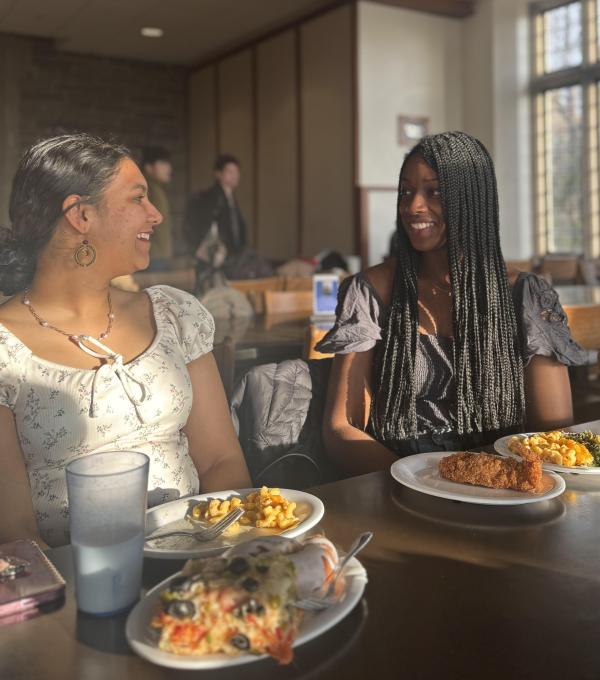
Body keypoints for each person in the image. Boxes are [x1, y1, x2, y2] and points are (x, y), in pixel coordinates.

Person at [0, 133, 251, 548]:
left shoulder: (173, 314)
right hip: (78, 586)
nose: (156, 215)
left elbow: (221, 461)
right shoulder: (7, 348)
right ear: (81, 216)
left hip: (201, 559)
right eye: (138, 199)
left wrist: (211, 553)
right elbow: (15, 534)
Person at [317, 131, 591, 476]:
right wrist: (421, 482)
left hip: (499, 489)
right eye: (406, 191)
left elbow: (551, 435)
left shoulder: (523, 295)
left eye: (434, 192)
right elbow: (341, 428)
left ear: (471, 200)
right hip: (397, 487)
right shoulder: (372, 290)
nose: (413, 206)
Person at [184, 153, 247, 259]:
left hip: (232, 255)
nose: (235, 175)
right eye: (230, 172)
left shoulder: (231, 197)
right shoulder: (211, 198)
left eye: (236, 171)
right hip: (217, 255)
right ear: (218, 174)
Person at [141, 145, 173, 271]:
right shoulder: (146, 189)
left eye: (168, 163)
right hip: (152, 256)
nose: (168, 168)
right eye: (163, 163)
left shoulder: (157, 188)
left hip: (159, 255)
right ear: (149, 167)